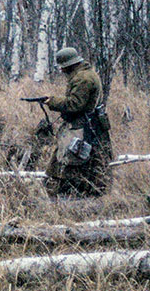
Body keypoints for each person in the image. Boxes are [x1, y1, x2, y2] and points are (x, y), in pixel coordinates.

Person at [42, 47, 111, 197]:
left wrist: (52, 101)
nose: (61, 71)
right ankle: (87, 192)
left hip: (81, 126)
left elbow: (75, 104)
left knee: (70, 161)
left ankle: (72, 196)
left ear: (69, 65)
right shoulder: (87, 74)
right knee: (86, 160)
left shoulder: (82, 78)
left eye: (62, 67)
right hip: (89, 124)